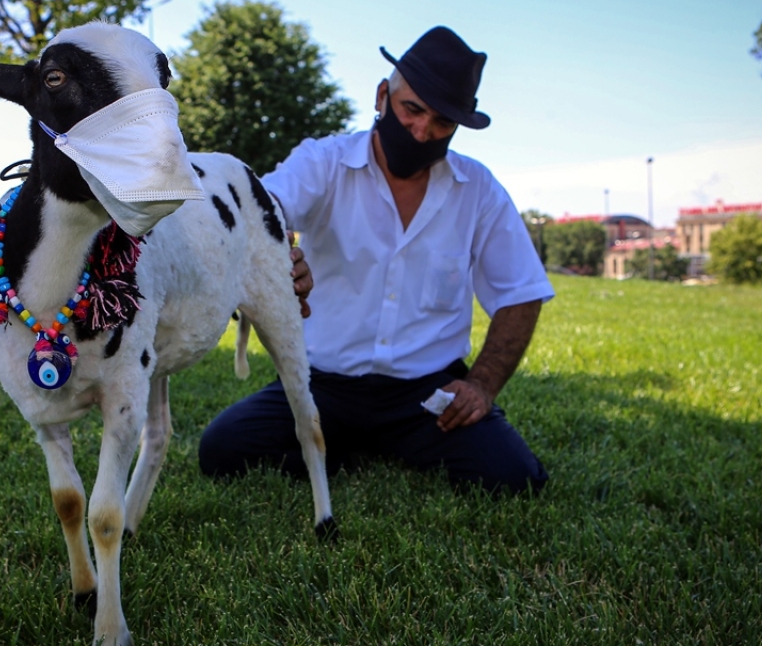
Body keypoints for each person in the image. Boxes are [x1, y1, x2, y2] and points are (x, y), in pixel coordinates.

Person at [198, 26, 554, 495]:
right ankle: (350, 441)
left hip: (428, 394)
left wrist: (482, 385)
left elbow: (521, 294)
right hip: (324, 385)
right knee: (222, 450)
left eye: (442, 122)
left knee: (514, 479)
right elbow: (261, 207)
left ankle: (365, 444)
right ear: (383, 96)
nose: (422, 132)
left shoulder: (479, 190)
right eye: (412, 110)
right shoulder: (324, 161)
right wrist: (275, 252)